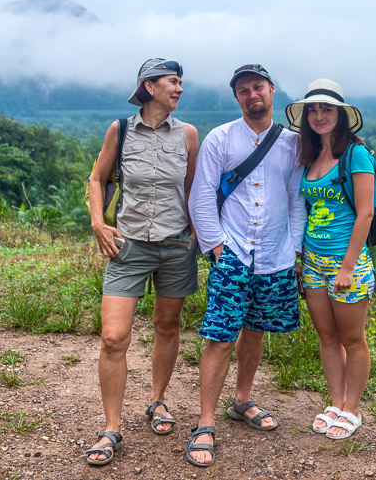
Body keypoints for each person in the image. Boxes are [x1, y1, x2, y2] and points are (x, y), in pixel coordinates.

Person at [186, 63, 305, 467]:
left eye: (258, 88)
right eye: (243, 91)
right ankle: (205, 422)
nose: (252, 95)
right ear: (237, 98)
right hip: (232, 250)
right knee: (220, 336)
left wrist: (296, 249)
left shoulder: (293, 143)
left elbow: (296, 199)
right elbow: (201, 195)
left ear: (272, 91)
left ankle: (242, 400)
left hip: (275, 255)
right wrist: (217, 248)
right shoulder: (221, 138)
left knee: (254, 330)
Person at [85, 58, 199, 466]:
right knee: (114, 337)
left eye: (181, 83)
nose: (180, 89)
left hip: (176, 246)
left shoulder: (188, 134)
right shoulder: (120, 129)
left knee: (167, 325)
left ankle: (156, 400)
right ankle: (111, 427)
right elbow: (97, 178)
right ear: (149, 87)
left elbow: (192, 191)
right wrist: (99, 223)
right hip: (128, 247)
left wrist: (201, 238)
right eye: (173, 82)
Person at [285, 78, 374, 440]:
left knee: (353, 339)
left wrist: (348, 267)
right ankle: (336, 402)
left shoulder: (355, 154)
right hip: (314, 262)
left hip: (346, 263)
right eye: (313, 110)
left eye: (327, 109)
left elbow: (365, 213)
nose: (319, 116)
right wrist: (300, 260)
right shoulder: (309, 156)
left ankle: (353, 409)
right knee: (326, 336)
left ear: (341, 115)